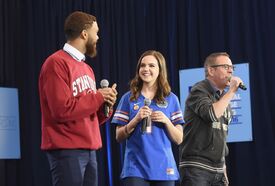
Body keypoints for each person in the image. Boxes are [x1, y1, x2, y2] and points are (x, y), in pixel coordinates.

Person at [38, 11, 117, 186]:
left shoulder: (87, 69)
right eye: (96, 33)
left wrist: (105, 106)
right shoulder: (56, 63)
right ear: (84, 33)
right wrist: (97, 97)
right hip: (66, 149)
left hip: (90, 149)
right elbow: (61, 110)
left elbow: (87, 115)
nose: (98, 38)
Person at [112, 50, 184, 186]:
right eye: (142, 65)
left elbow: (179, 139)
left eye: (151, 65)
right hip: (135, 168)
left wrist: (166, 121)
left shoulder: (171, 99)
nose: (146, 69)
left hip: (164, 168)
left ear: (160, 70)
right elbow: (118, 136)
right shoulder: (128, 98)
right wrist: (136, 119)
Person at [179, 52, 244, 186]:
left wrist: (223, 169)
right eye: (226, 66)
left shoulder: (223, 100)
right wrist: (231, 91)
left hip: (218, 170)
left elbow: (222, 135)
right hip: (197, 168)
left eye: (232, 67)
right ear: (211, 70)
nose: (231, 70)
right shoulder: (199, 90)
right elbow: (211, 115)